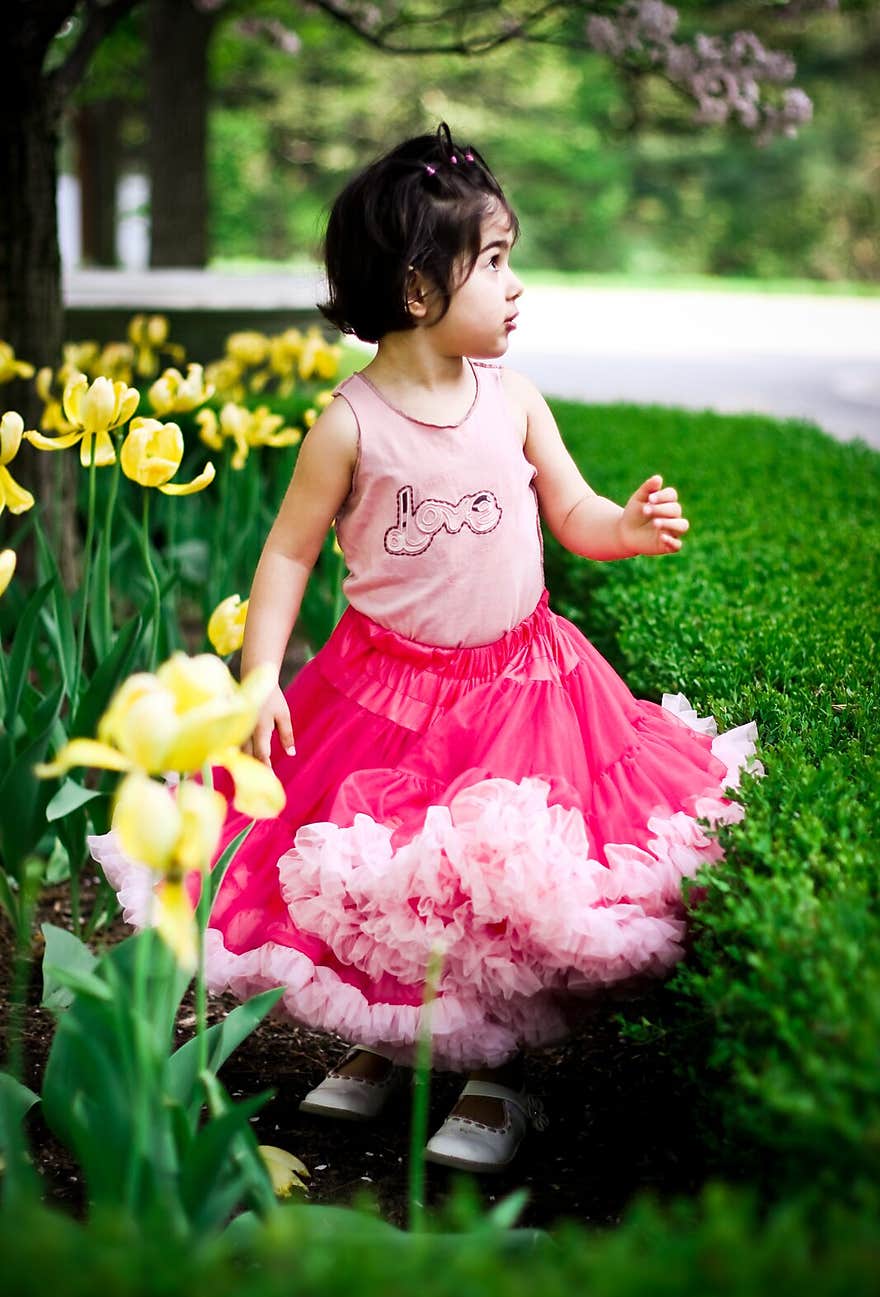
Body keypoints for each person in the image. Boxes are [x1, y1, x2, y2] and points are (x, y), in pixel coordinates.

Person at [95, 122, 759, 1175]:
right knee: (395, 886)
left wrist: (621, 529)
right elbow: (286, 554)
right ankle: (388, 1042)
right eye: (493, 262)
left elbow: (572, 510)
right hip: (387, 693)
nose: (516, 285)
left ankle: (506, 1082)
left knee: (515, 898)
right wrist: (259, 674)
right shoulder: (350, 423)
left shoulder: (515, 397)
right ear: (415, 292)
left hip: (526, 689)